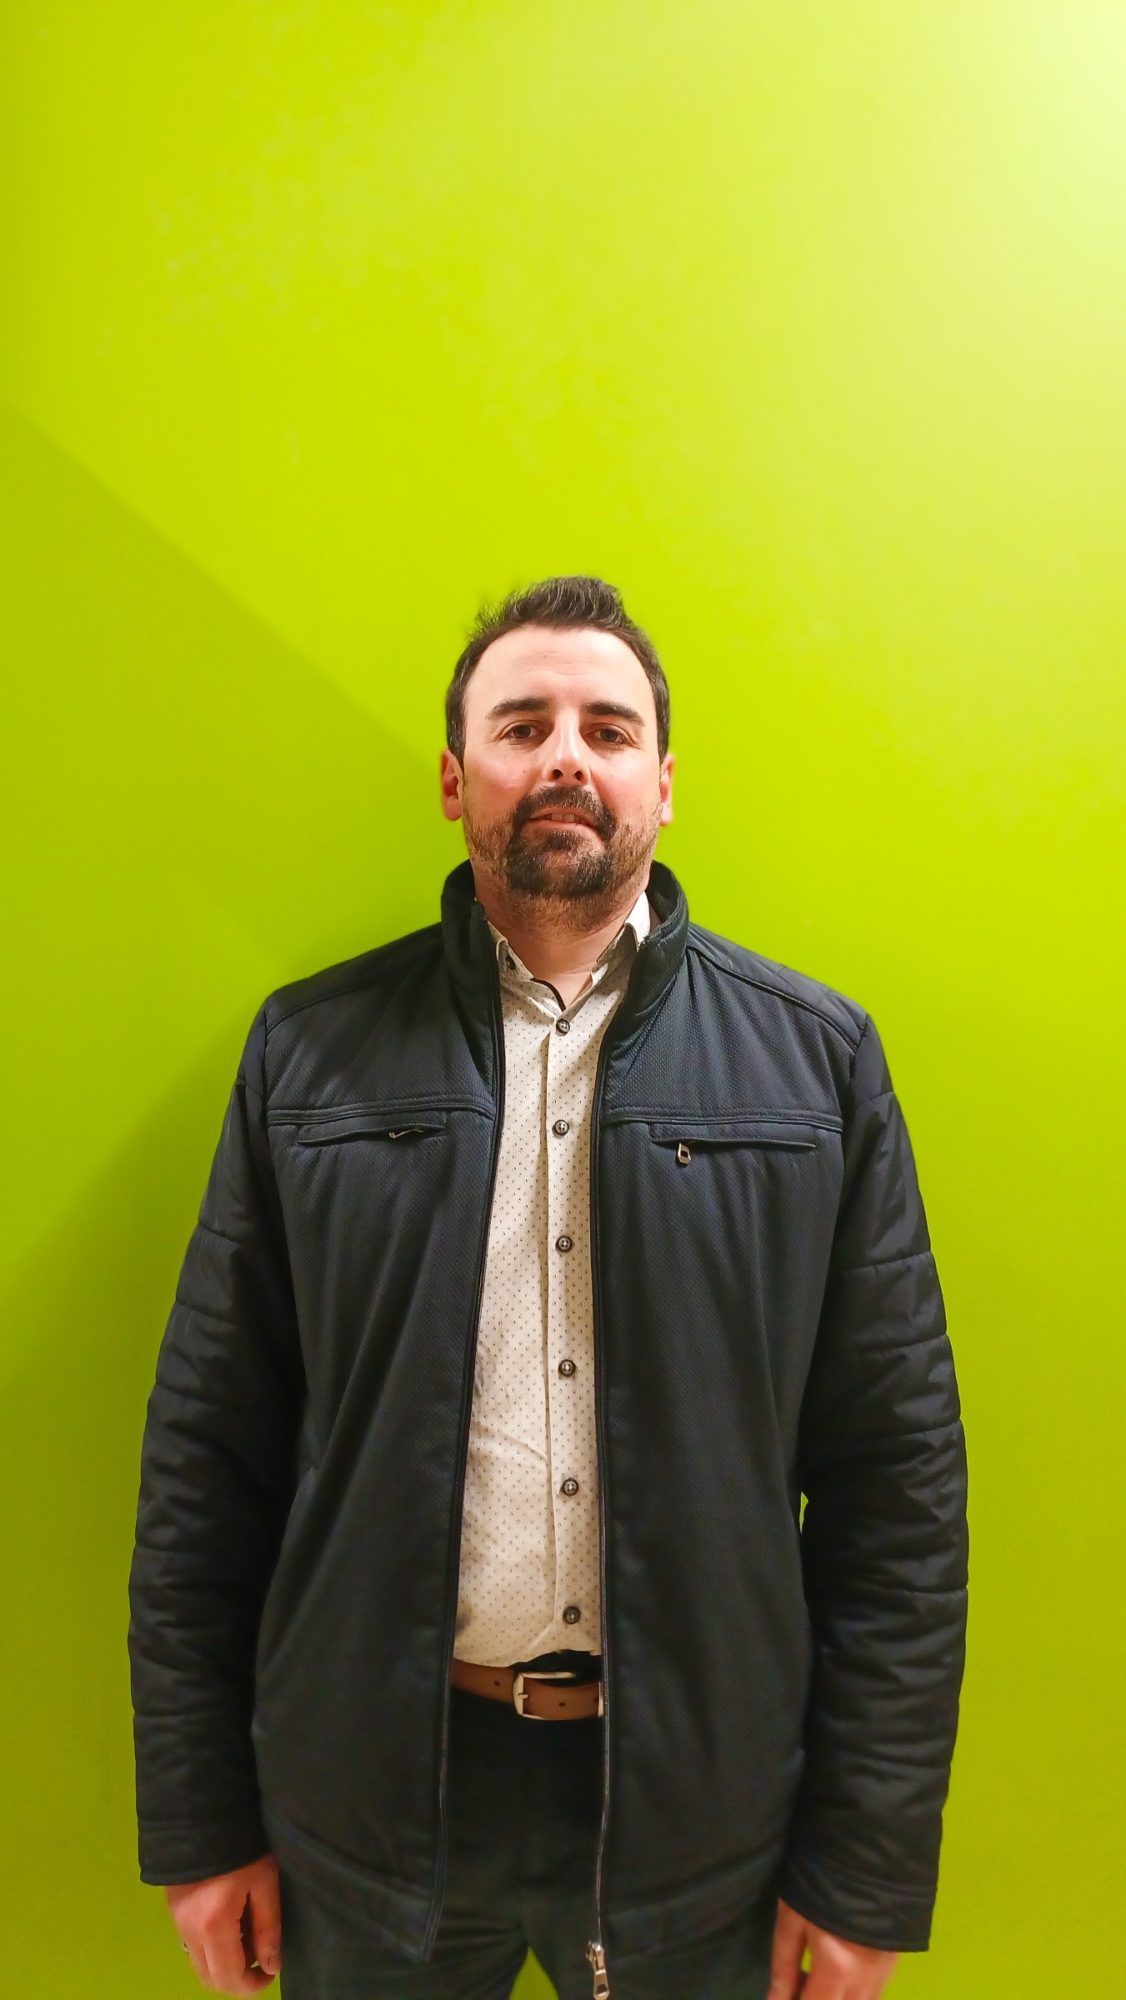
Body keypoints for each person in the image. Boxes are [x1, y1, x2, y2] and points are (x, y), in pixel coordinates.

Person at [128, 574, 969, 2000]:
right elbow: (208, 1461)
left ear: (664, 785)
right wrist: (202, 1824)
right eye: (522, 726)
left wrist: (865, 1864)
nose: (566, 756)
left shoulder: (816, 1067)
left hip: (701, 1812)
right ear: (457, 779)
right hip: (370, 1803)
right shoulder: (309, 1054)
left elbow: (897, 1495)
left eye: (607, 728)